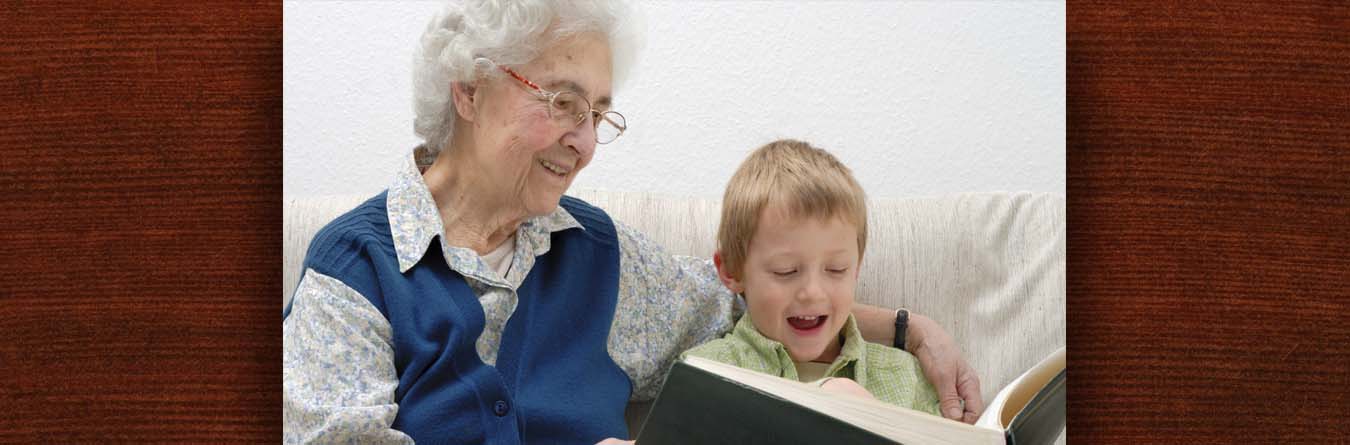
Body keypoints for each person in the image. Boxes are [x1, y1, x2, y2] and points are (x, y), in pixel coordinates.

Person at [282, 1, 981, 444]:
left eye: (596, 113)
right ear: (468, 90)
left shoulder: (600, 254)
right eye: (561, 102)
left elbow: (749, 303)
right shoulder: (355, 268)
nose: (584, 143)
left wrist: (910, 329)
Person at [681, 139, 941, 414]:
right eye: (786, 271)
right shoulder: (703, 373)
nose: (813, 292)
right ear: (732, 270)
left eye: (836, 269)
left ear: (856, 268)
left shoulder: (905, 376)